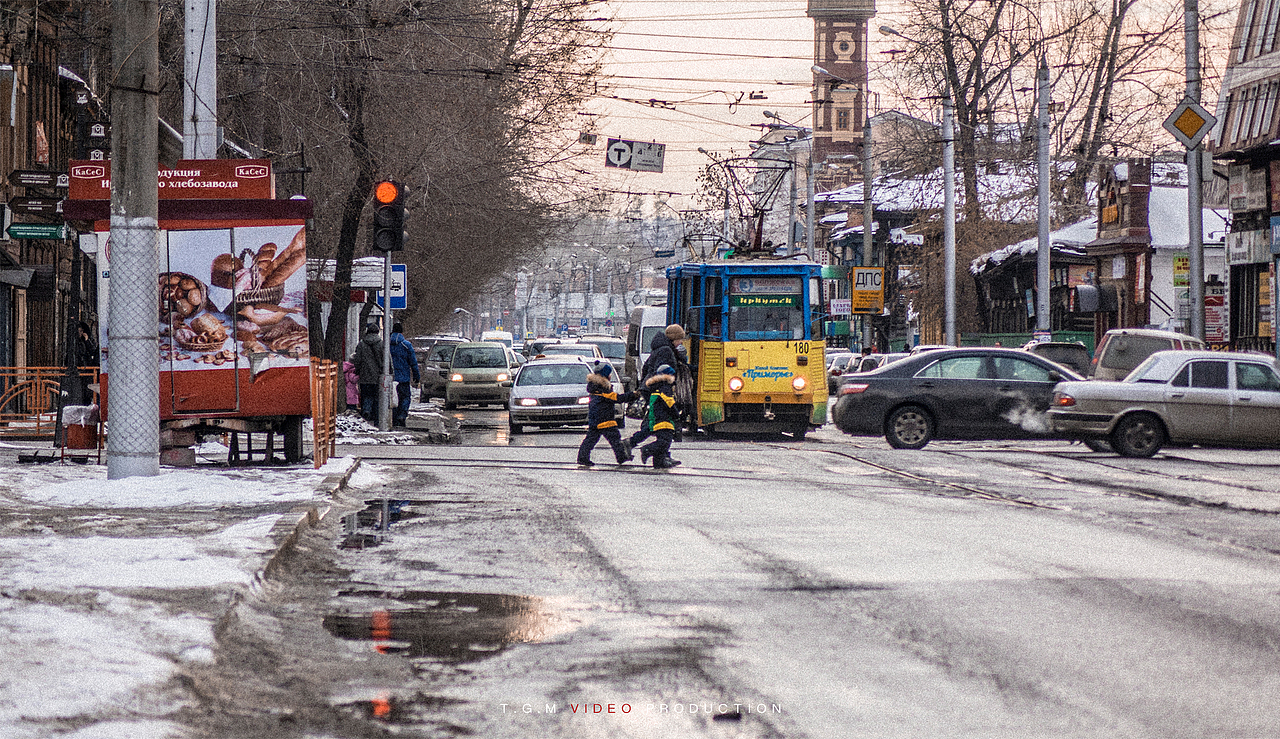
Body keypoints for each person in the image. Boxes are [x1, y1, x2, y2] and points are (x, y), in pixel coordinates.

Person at [628, 324, 687, 450]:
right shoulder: (665, 350)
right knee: (659, 422)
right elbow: (661, 372)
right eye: (680, 339)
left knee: (656, 422)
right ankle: (634, 445)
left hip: (652, 389)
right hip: (658, 390)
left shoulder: (661, 348)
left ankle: (658, 453)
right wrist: (662, 388)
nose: (681, 342)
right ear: (674, 338)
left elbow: (646, 368)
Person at [576, 362, 637, 467]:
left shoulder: (594, 387)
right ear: (605, 375)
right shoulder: (603, 389)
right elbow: (617, 398)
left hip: (595, 418)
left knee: (590, 439)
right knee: (615, 439)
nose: (610, 375)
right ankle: (621, 457)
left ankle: (582, 458)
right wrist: (633, 395)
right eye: (609, 373)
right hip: (605, 418)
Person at [637, 364, 681, 469]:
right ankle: (647, 449)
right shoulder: (665, 388)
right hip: (663, 419)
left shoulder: (656, 387)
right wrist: (676, 415)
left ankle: (659, 462)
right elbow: (669, 403)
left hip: (657, 418)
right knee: (664, 442)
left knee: (663, 440)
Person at [389, 322, 420, 427]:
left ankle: (394, 417)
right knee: (405, 397)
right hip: (403, 377)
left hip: (390, 377)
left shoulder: (386, 344)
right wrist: (416, 376)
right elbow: (413, 362)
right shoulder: (406, 345)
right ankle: (402, 415)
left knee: (392, 397)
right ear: (402, 332)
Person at [353, 323, 383, 423]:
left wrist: (357, 370)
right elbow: (386, 359)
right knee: (376, 397)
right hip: (377, 376)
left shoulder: (361, 344)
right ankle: (376, 417)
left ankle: (366, 410)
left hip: (364, 375)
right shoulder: (381, 343)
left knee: (366, 395)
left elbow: (357, 359)